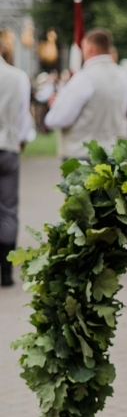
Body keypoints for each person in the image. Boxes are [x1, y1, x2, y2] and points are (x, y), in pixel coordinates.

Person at [45, 29, 127, 158]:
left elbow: (57, 119)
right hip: (110, 154)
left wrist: (58, 104)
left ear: (89, 47)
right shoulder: (123, 77)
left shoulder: (84, 77)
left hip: (82, 155)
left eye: (83, 46)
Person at [0, 36, 35, 286]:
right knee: (8, 209)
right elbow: (24, 113)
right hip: (8, 145)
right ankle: (6, 272)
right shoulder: (18, 77)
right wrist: (21, 139)